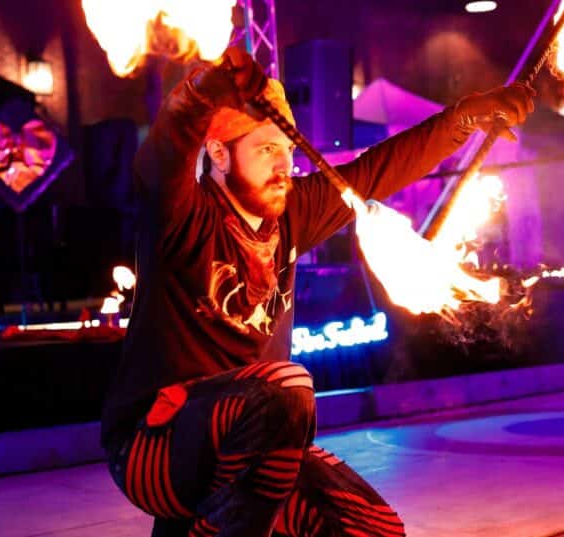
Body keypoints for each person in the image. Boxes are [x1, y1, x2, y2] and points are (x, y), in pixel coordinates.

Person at [101, 46, 534, 537]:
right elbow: (160, 162)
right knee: (287, 389)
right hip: (153, 445)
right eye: (265, 150)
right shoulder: (183, 218)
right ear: (219, 153)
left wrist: (464, 117)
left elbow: (378, 169)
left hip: (247, 450)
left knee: (371, 526)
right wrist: (203, 94)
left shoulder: (293, 214)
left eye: (287, 150)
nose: (283, 166)